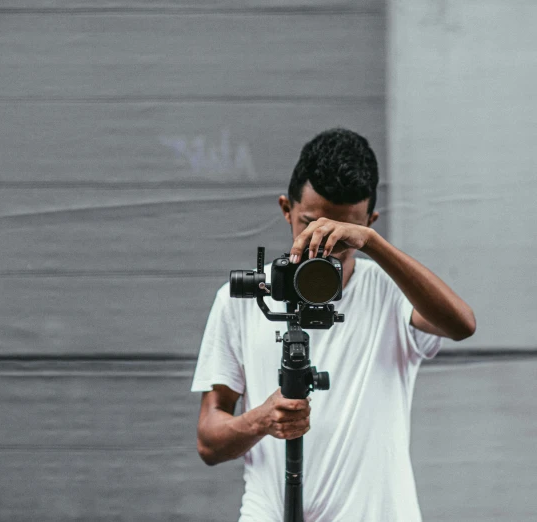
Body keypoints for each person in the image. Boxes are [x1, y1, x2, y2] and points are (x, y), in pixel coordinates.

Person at [192, 128, 476, 521]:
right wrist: (261, 419)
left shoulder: (391, 293)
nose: (320, 246)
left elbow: (461, 325)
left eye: (342, 236)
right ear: (285, 209)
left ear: (368, 223)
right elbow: (209, 442)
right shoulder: (240, 301)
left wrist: (375, 246)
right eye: (309, 225)